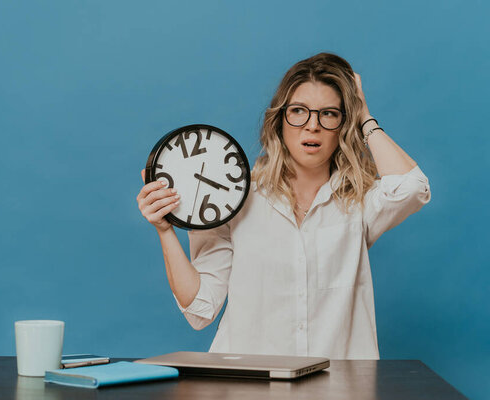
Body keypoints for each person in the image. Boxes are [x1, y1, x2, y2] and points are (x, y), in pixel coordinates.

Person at [136, 53, 431, 360]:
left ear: (343, 125)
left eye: (329, 114)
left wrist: (365, 118)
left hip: (338, 387)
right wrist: (164, 229)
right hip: (246, 388)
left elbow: (412, 188)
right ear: (279, 120)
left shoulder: (359, 201)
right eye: (299, 111)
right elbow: (200, 308)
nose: (312, 126)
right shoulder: (236, 198)